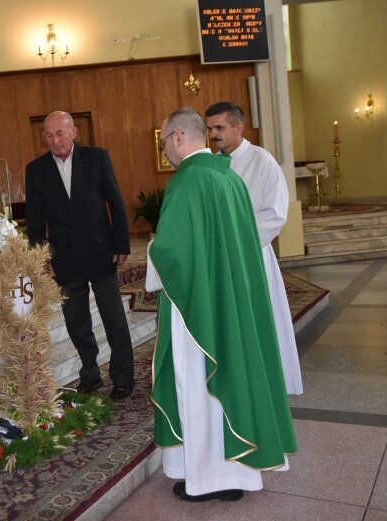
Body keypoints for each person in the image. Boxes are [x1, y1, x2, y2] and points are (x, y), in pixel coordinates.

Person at [150, 108, 297, 502]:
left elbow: (172, 252)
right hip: (229, 299)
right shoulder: (227, 175)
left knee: (198, 383)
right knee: (232, 377)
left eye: (164, 140)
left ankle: (205, 480)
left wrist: (150, 251)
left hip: (198, 308)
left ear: (179, 137)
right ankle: (236, 476)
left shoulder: (187, 182)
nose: (164, 149)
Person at [25, 111, 134, 400]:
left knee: (114, 319)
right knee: (76, 322)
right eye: (48, 135)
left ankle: (123, 378)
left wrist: (121, 244)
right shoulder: (35, 170)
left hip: (101, 252)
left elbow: (116, 202)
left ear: (74, 132)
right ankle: (90, 375)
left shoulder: (97, 158)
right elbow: (35, 221)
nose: (55, 140)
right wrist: (41, 257)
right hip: (65, 259)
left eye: (60, 133)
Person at [205, 101, 303, 395]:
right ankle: (236, 381)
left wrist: (235, 242)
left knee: (260, 320)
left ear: (238, 126)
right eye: (210, 129)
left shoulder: (262, 161)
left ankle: (268, 382)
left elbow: (275, 214)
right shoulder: (211, 165)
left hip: (251, 257)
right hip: (220, 259)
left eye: (219, 128)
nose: (213, 134)